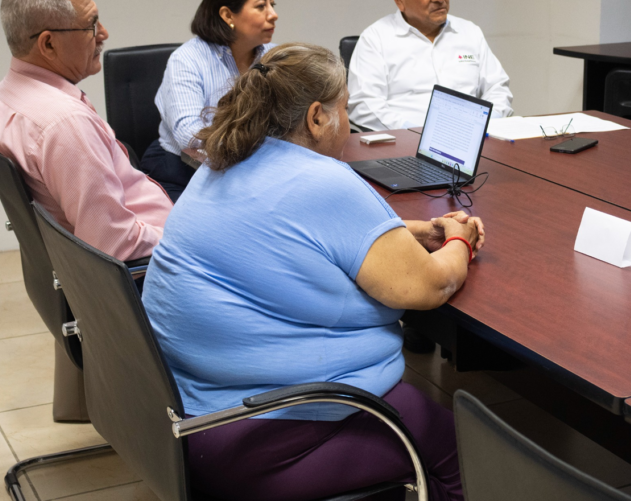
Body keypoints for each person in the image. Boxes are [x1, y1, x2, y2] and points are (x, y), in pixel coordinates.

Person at [141, 43, 478, 501]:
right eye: (346, 109)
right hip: (273, 432)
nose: (350, 122)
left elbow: (294, 235)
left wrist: (406, 233)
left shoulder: (227, 159)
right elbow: (432, 284)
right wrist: (461, 239)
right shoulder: (324, 182)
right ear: (317, 117)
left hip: (198, 415)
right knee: (470, 455)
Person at [0, 0, 173, 421]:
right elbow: (114, 243)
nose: (104, 32)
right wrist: (191, 237)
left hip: (80, 278)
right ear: (47, 43)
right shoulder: (63, 123)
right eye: (91, 25)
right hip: (151, 277)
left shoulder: (3, 98)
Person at [144, 0, 278, 200]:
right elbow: (189, 133)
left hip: (252, 169)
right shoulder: (187, 59)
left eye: (272, 4)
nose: (273, 14)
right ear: (228, 16)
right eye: (261, 6)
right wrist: (248, 146)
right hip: (183, 171)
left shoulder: (274, 57)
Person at [347, 0, 513, 131]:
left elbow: (497, 88)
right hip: (405, 144)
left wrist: (487, 124)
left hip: (470, 140)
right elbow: (364, 105)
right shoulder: (376, 38)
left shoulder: (469, 32)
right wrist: (417, 133)